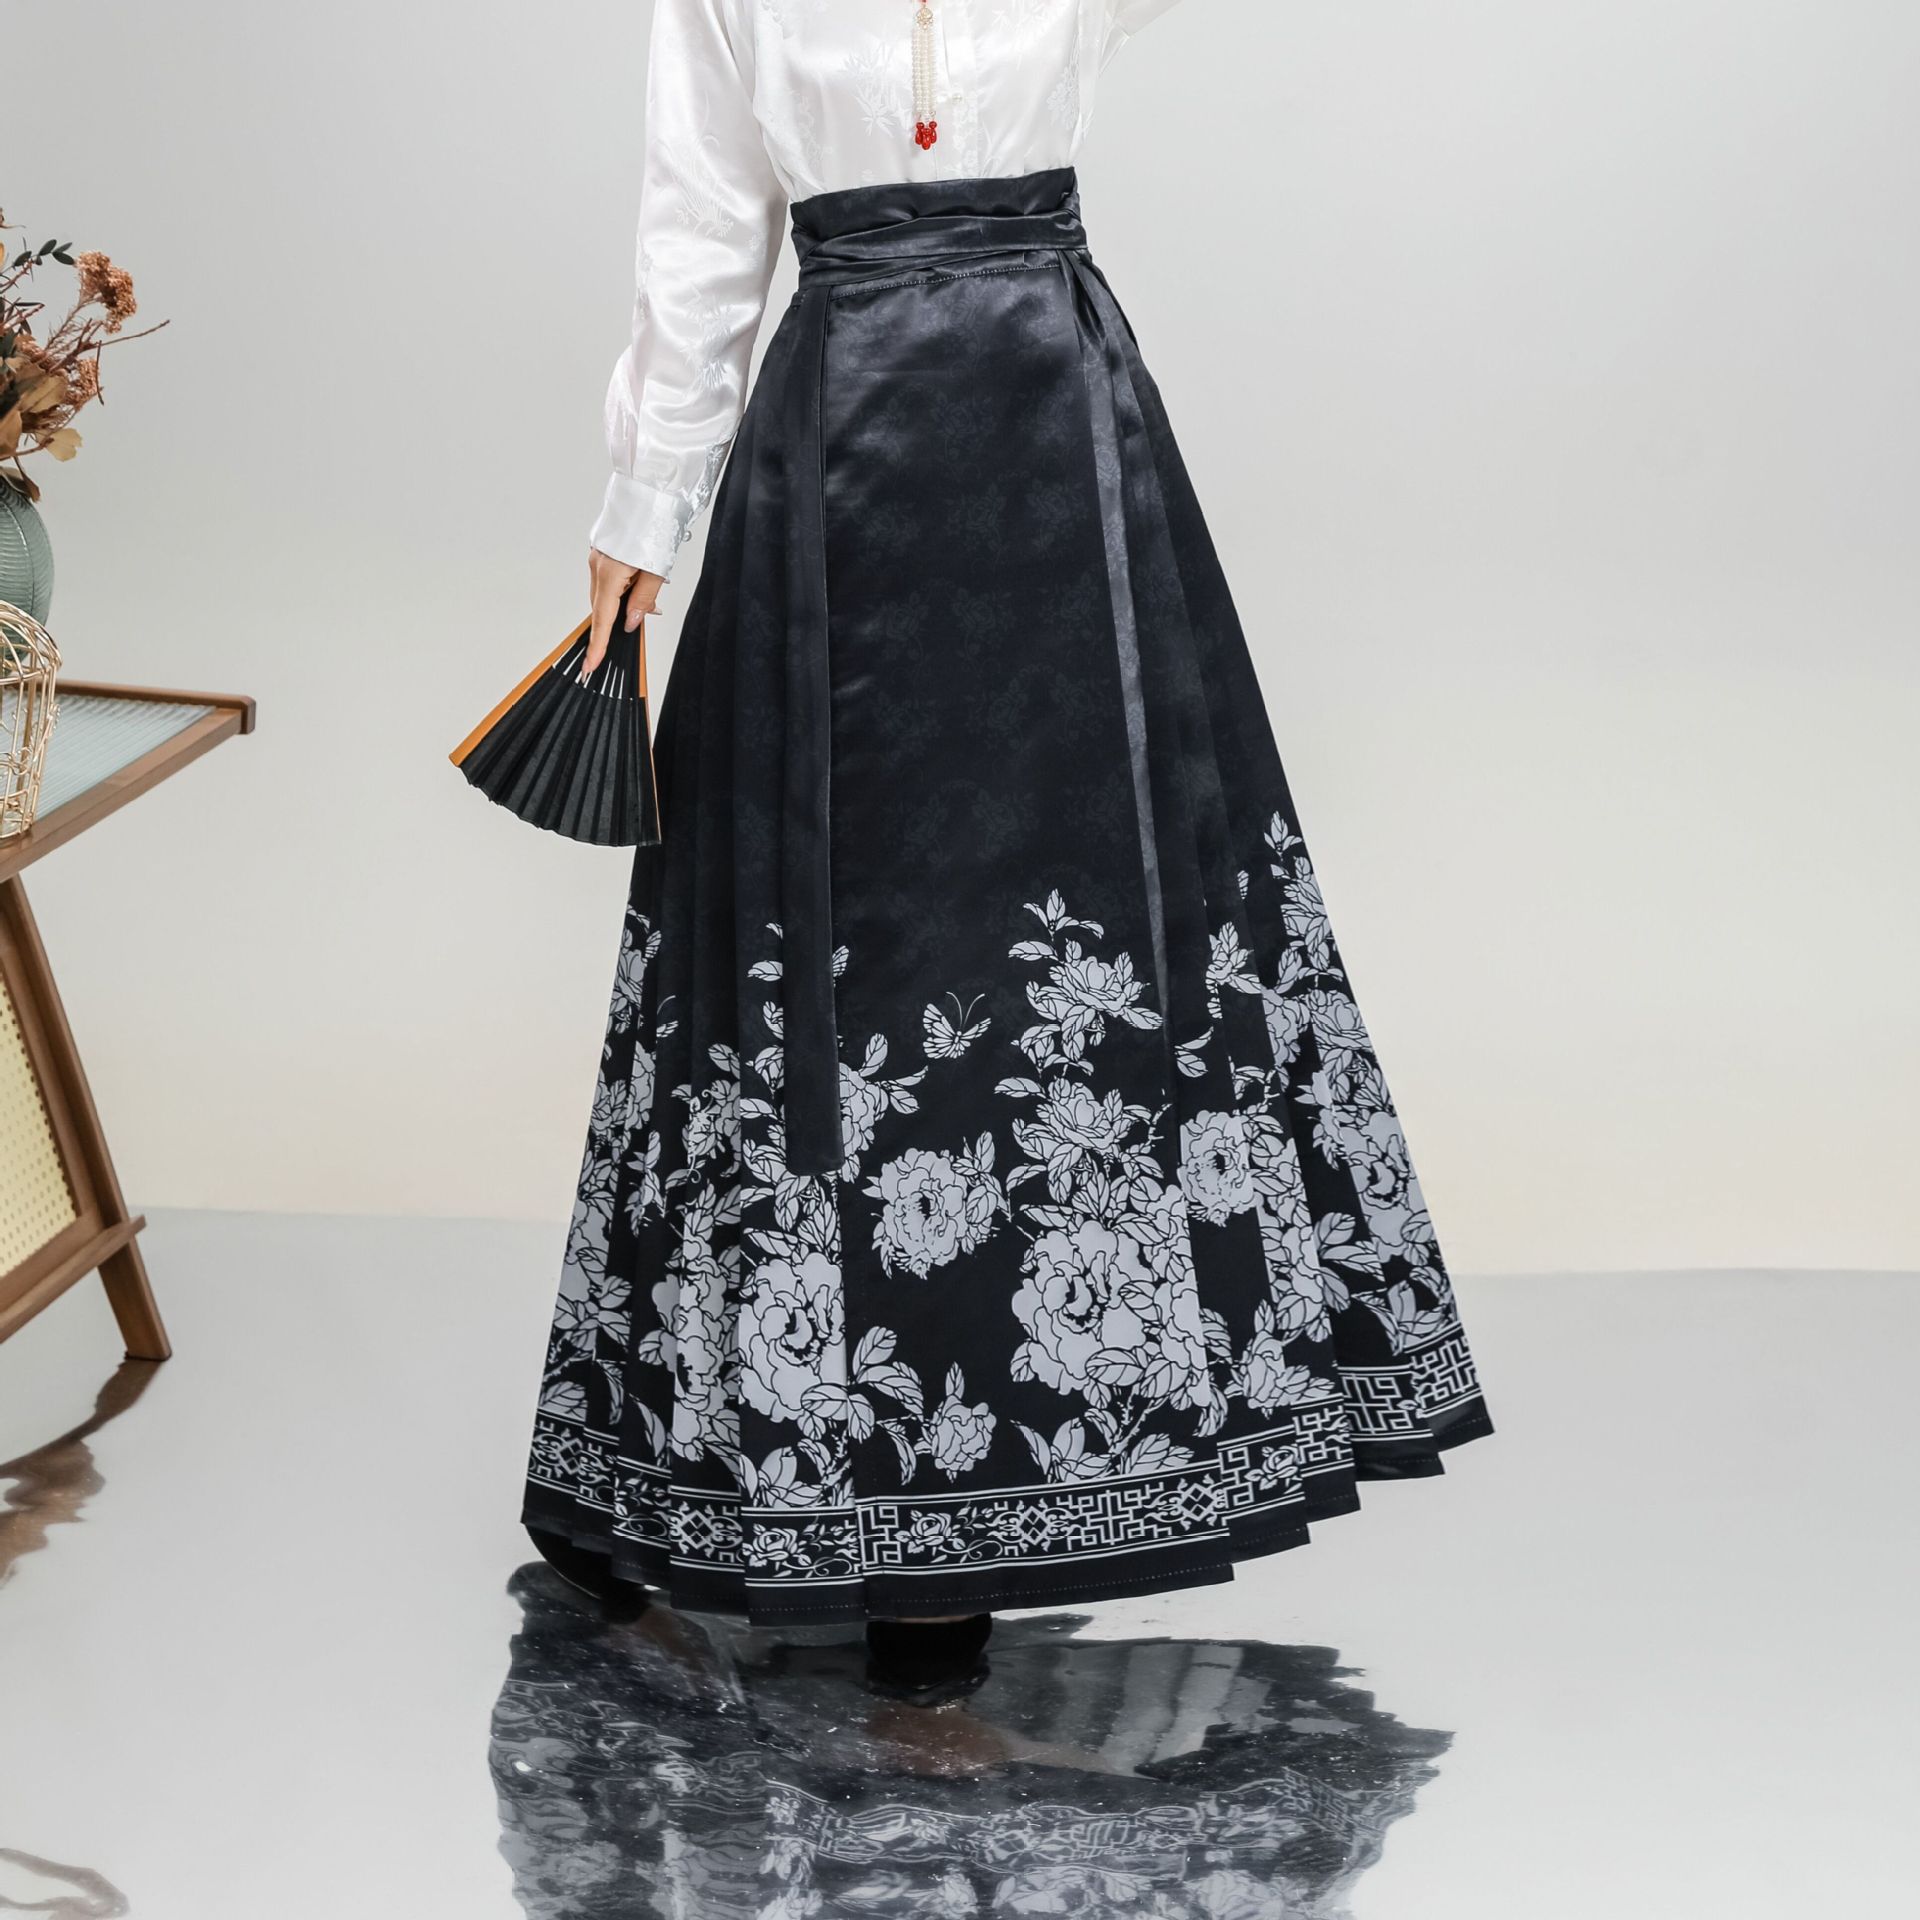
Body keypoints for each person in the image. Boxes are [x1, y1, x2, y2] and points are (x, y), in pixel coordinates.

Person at [523, 0, 1492, 1693]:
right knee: (825, 962)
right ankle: (682, 1464)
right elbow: (700, 230)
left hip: (1056, 443)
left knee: (1087, 934)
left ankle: (1043, 1478)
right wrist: (642, 510)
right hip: (835, 460)